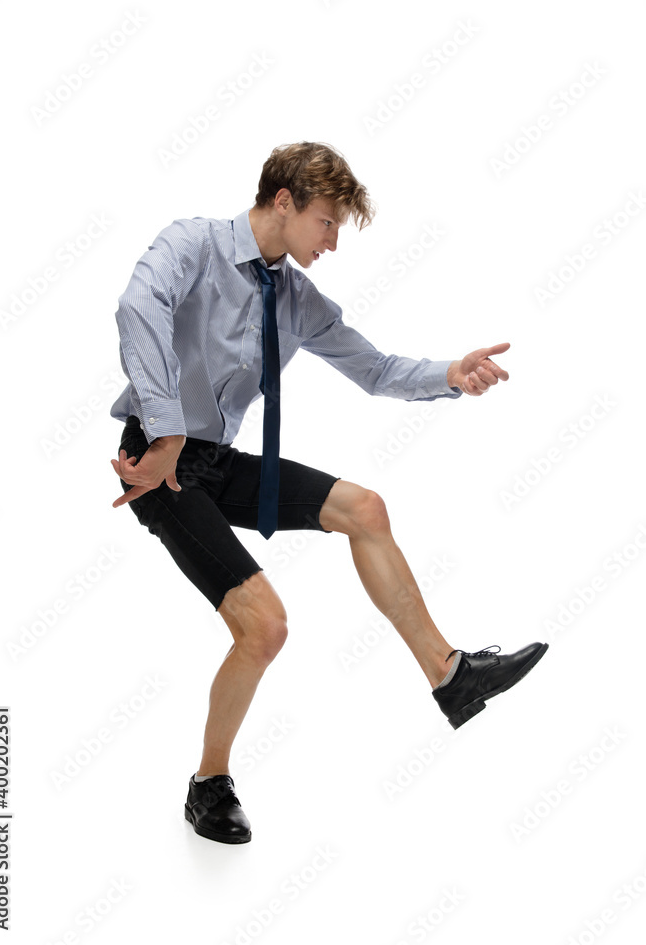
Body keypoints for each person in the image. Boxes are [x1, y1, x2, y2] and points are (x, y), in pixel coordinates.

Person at [109, 140, 548, 845]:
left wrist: (448, 373)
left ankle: (450, 675)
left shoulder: (294, 299)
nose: (333, 242)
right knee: (266, 628)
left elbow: (373, 369)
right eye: (326, 222)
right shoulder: (192, 245)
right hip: (155, 460)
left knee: (365, 508)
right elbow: (138, 308)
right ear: (282, 201)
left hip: (213, 458)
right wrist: (163, 431)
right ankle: (207, 784)